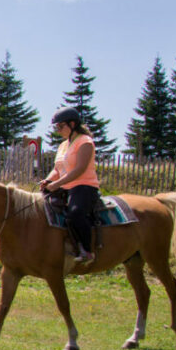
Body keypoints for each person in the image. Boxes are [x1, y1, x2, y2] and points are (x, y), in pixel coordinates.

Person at [39, 107, 99, 263]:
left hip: (84, 186)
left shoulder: (85, 142)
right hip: (65, 186)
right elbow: (58, 169)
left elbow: (80, 169)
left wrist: (57, 184)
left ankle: (87, 250)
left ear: (72, 124)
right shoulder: (63, 145)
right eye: (56, 127)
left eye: (60, 126)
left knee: (75, 213)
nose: (58, 130)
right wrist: (48, 180)